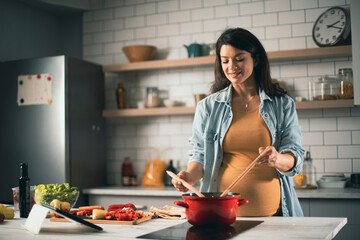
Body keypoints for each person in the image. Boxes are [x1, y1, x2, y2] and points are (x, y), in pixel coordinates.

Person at [172, 28, 305, 217]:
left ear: (256, 59)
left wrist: (277, 159)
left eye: (239, 58)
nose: (232, 66)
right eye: (225, 61)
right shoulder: (207, 107)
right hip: (221, 215)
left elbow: (295, 155)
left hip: (277, 216)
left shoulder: (282, 104)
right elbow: (200, 154)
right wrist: (189, 177)